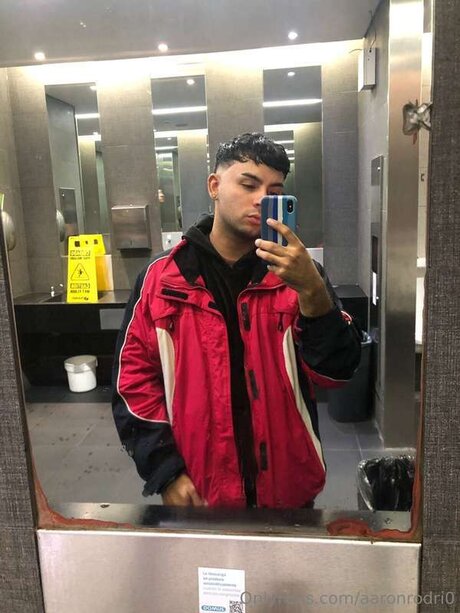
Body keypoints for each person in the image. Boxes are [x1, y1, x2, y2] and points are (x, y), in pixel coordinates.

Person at [112, 132, 361, 509]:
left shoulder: (300, 276)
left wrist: (312, 291)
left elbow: (338, 372)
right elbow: (132, 381)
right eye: (248, 184)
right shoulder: (162, 279)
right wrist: (165, 470)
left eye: (274, 191)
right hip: (199, 489)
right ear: (214, 186)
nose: (261, 199)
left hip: (287, 489)